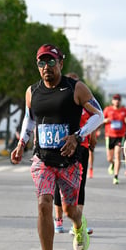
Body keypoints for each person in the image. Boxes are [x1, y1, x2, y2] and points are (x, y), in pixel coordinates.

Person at [10, 44, 104, 250]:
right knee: (44, 203)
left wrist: (78, 136)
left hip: (69, 161)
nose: (46, 67)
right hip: (43, 159)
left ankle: (79, 226)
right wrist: (22, 143)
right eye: (41, 63)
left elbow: (98, 115)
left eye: (51, 62)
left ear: (61, 63)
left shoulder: (76, 88)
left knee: (71, 210)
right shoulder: (32, 91)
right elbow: (29, 119)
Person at [53, 72, 97, 236]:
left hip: (82, 147)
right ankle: (58, 220)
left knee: (79, 185)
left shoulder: (85, 103)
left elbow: (94, 119)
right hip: (62, 147)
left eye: (78, 84)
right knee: (60, 184)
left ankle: (76, 224)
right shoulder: (61, 103)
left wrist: (92, 138)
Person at [102, 94, 126, 184]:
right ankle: (112, 164)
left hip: (120, 136)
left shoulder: (124, 110)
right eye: (115, 99)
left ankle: (116, 176)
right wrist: (106, 120)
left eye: (118, 99)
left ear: (120, 101)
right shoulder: (108, 109)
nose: (117, 101)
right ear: (112, 101)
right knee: (109, 158)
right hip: (109, 136)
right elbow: (101, 119)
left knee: (117, 155)